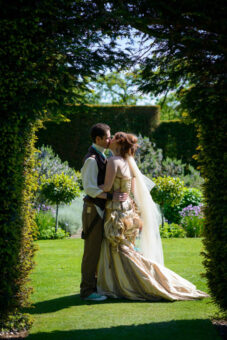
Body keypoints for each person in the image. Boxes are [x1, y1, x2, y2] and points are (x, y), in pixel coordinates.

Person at [97, 132, 209, 301]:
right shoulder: (129, 163)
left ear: (118, 143)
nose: (109, 139)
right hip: (128, 210)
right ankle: (132, 280)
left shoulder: (114, 161)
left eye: (112, 137)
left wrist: (90, 186)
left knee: (119, 249)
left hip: (116, 210)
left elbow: (106, 187)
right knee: (126, 248)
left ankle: (139, 283)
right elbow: (131, 190)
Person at [80, 123, 128, 302]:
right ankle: (86, 291)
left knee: (99, 251)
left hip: (100, 209)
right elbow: (90, 189)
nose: (110, 139)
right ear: (98, 139)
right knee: (91, 252)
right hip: (93, 210)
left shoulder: (102, 156)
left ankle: (96, 286)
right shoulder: (92, 160)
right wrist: (111, 195)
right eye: (108, 137)